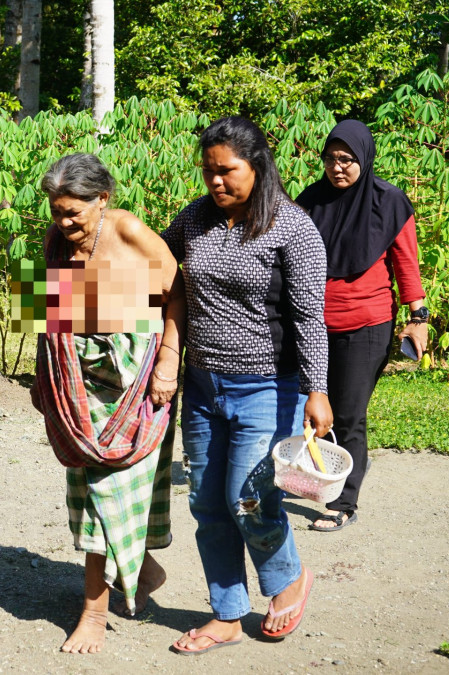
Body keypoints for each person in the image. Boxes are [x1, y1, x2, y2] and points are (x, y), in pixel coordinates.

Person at [160, 117, 333, 654]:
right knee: (207, 505)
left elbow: (309, 317)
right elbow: (154, 262)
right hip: (203, 385)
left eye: (226, 171)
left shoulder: (292, 227)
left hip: (267, 387)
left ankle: (287, 580)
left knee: (249, 498)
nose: (215, 182)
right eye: (208, 171)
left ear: (256, 165)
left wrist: (317, 388)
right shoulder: (196, 219)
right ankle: (227, 614)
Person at [29, 153, 185, 654]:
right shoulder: (55, 240)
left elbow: (178, 293)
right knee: (89, 490)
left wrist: (168, 362)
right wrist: (42, 376)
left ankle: (94, 614)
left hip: (138, 387)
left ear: (103, 199)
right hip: (81, 391)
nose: (65, 222)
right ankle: (140, 568)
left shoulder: (130, 232)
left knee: (110, 491)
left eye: (74, 212)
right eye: (57, 211)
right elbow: (47, 312)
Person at [295, 120, 428, 532]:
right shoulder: (311, 201)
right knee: (306, 410)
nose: (338, 168)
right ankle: (311, 477)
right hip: (312, 325)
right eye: (331, 159)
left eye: (348, 160)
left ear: (364, 159)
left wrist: (418, 319)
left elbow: (406, 265)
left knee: (350, 414)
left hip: (366, 324)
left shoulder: (388, 202)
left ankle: (344, 501)